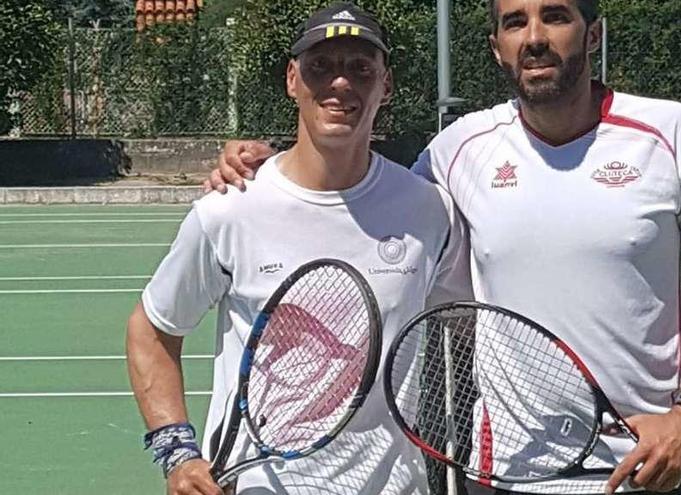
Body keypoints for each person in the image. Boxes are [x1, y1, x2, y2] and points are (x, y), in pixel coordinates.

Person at [207, 0, 681, 494]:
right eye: (515, 22)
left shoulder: (671, 132)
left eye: (556, 16)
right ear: (498, 47)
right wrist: (268, 163)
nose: (535, 37)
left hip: (646, 466)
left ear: (593, 34)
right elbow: (364, 197)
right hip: (507, 473)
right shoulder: (461, 149)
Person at [126, 3, 471, 494]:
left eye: (360, 68)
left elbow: (469, 325)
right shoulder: (231, 207)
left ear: (385, 85)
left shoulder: (429, 209)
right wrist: (178, 454)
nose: (340, 83)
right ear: (292, 79)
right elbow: (152, 330)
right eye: (320, 67)